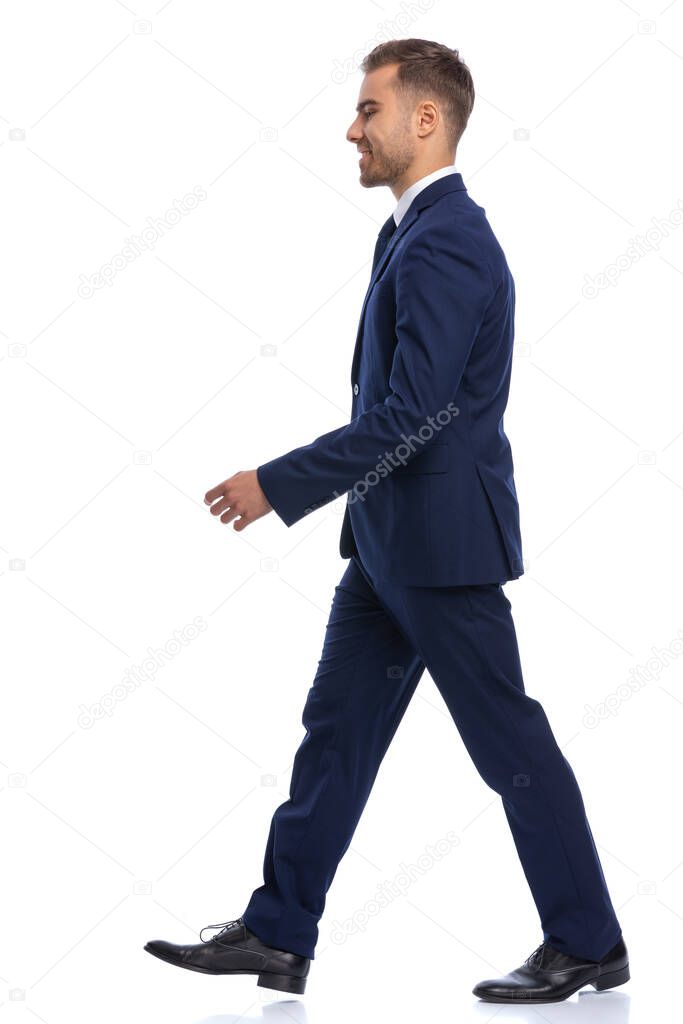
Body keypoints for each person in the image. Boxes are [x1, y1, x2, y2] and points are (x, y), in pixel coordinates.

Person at [144, 38, 629, 1003]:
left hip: (442, 551)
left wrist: (275, 484)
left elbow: (411, 416)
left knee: (509, 747)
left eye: (368, 109)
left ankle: (588, 942)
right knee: (335, 734)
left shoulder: (448, 236)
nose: (351, 127)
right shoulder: (410, 230)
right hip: (385, 546)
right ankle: (280, 932)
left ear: (424, 119)